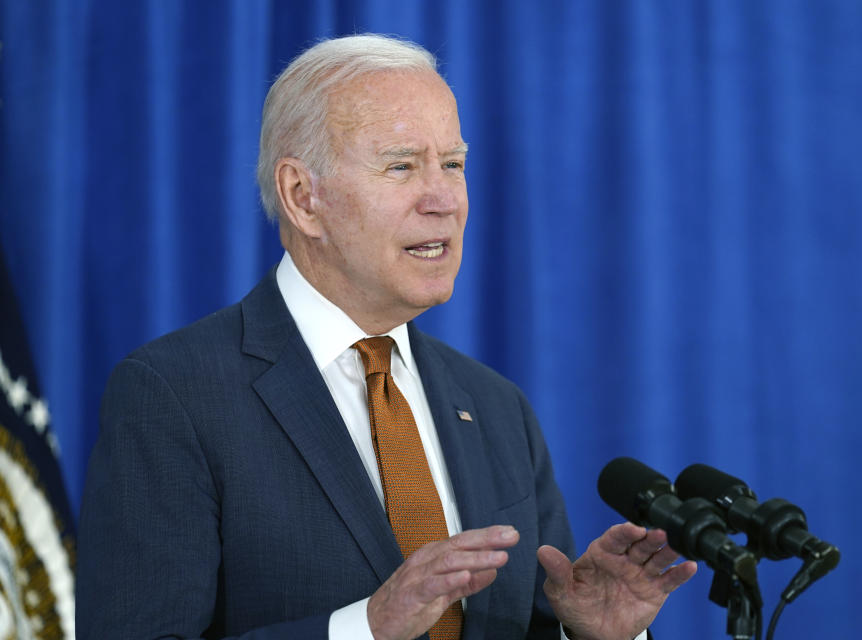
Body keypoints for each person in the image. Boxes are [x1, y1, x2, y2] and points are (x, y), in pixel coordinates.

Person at [77, 34, 696, 640]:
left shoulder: (496, 406)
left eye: (453, 164)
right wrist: (365, 630)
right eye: (401, 166)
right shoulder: (175, 395)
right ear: (302, 197)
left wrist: (589, 635)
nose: (443, 199)